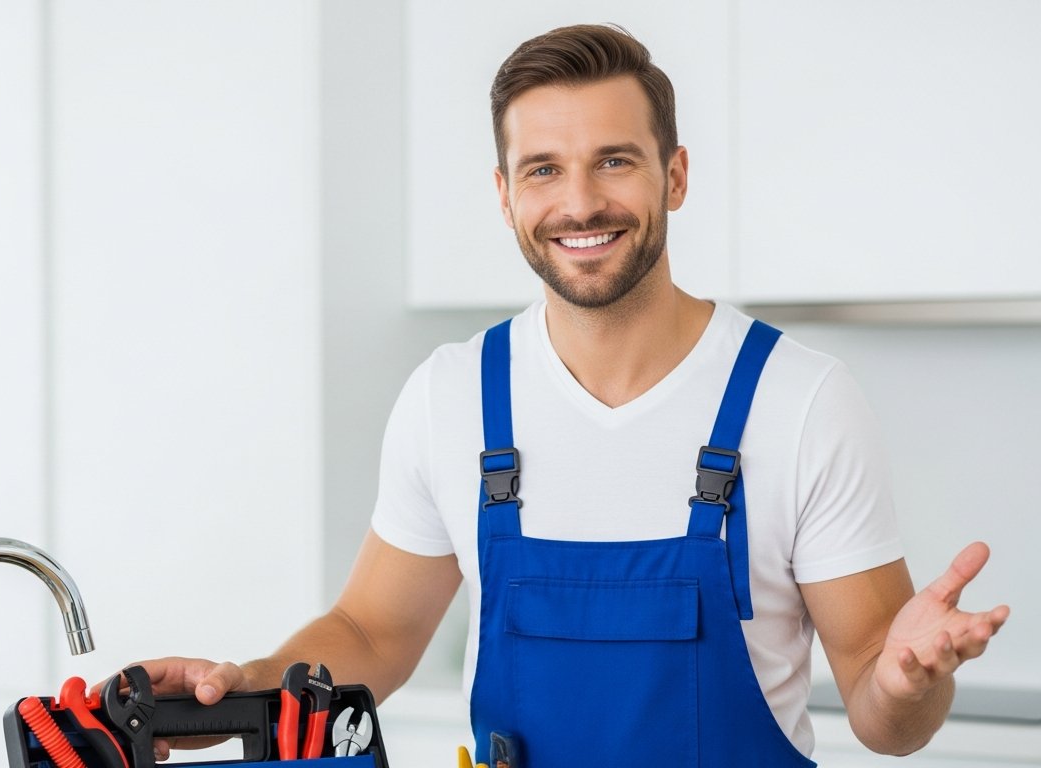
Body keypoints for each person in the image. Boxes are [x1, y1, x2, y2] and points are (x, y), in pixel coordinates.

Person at [122, 24, 1009, 765]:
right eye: (542, 169)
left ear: (676, 176)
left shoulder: (800, 399)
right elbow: (373, 634)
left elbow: (883, 710)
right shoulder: (453, 396)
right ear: (505, 197)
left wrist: (901, 682)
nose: (579, 203)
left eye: (615, 161)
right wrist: (244, 690)